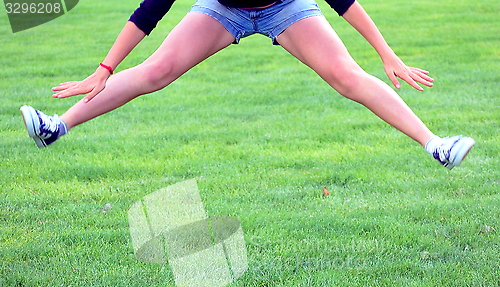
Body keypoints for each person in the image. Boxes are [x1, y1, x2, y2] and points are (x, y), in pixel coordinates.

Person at [21, 0, 474, 169]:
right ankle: (55, 126)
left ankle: (435, 144)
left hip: (285, 5)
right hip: (224, 8)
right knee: (155, 72)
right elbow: (151, 9)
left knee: (346, 76)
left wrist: (386, 51)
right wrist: (104, 67)